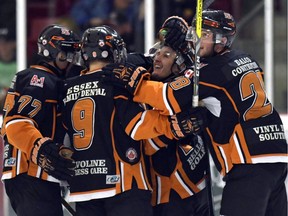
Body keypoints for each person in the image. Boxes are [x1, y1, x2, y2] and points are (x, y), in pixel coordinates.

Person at [107, 9, 288, 216]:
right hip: (277, 155)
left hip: (248, 162)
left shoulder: (210, 69)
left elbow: (167, 96)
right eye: (196, 32)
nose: (198, 39)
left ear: (221, 41)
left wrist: (134, 82)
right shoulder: (246, 59)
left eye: (206, 35)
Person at [61, 25, 201, 216]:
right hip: (123, 184)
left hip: (84, 189)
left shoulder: (67, 87)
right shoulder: (117, 81)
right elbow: (136, 126)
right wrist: (172, 126)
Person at [1, 24, 80, 216]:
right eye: (68, 52)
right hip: (30, 172)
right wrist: (41, 149)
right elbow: (16, 123)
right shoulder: (41, 78)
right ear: (56, 53)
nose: (73, 59)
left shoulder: (43, 78)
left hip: (30, 174)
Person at [144, 42, 211, 216]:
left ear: (178, 66)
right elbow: (144, 144)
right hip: (170, 194)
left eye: (166, 55)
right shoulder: (147, 97)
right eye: (157, 54)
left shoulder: (186, 91)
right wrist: (172, 131)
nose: (157, 58)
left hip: (199, 186)